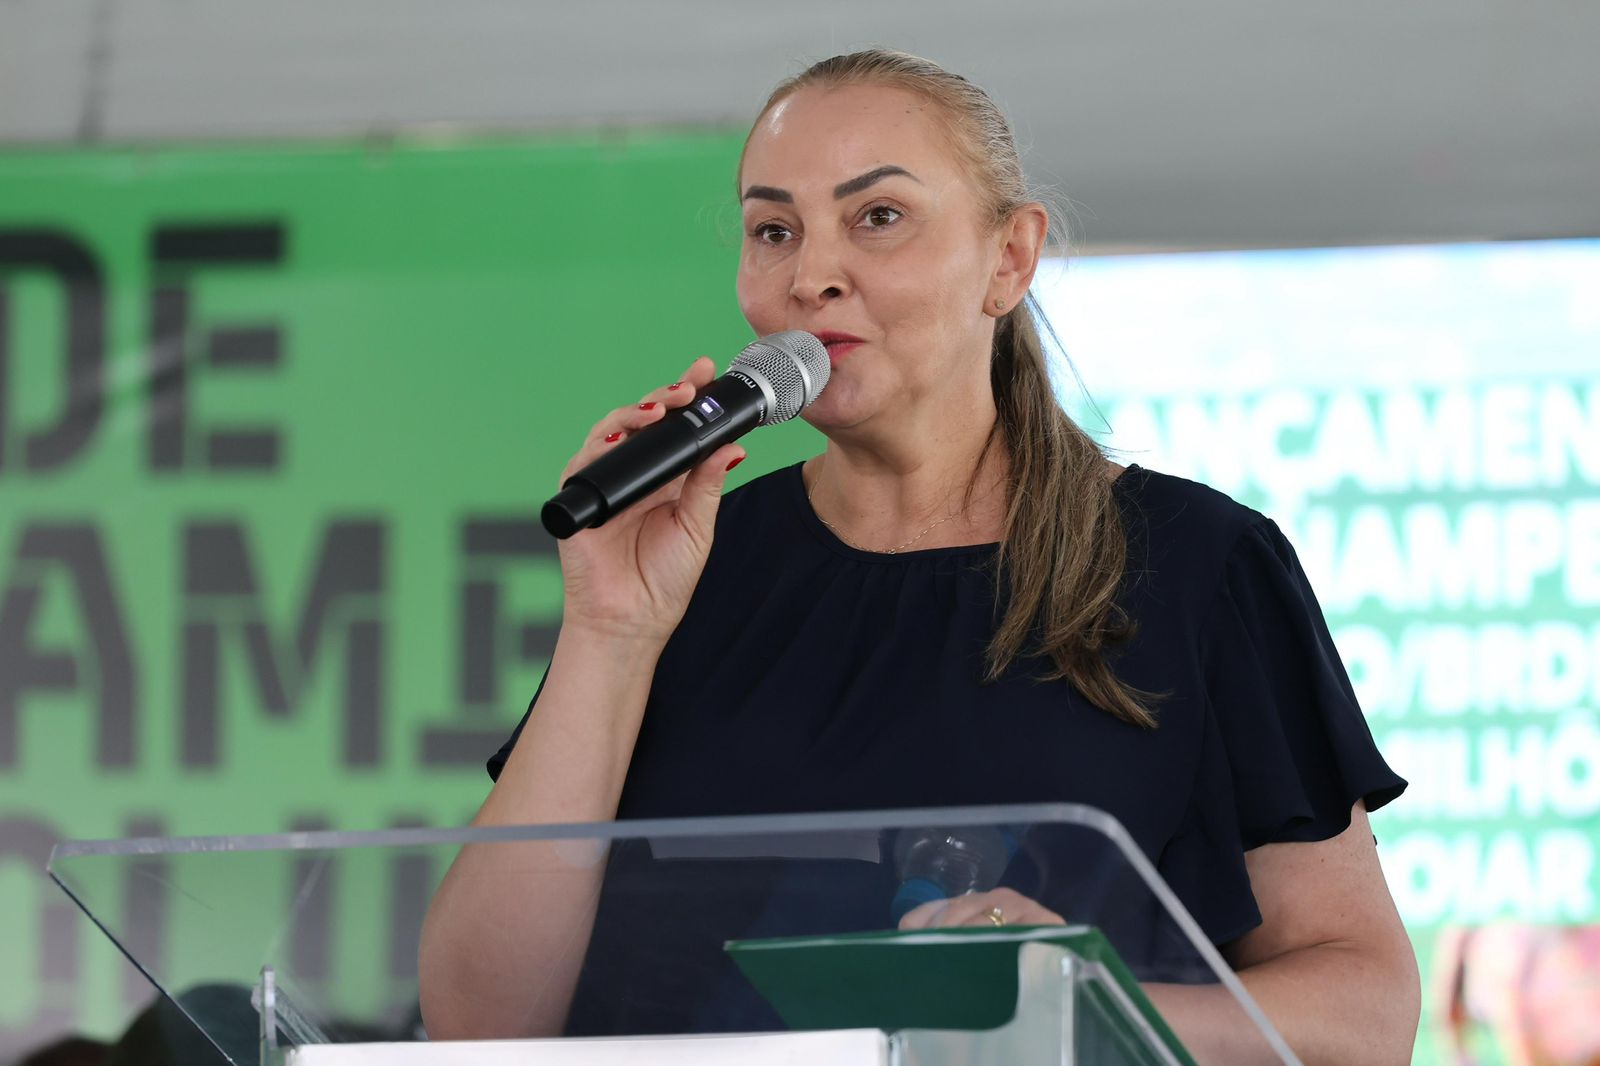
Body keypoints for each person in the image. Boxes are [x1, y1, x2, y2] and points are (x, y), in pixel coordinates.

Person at [419, 49, 1420, 1064]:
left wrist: (1073, 1003)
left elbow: (1363, 1013)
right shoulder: (681, 566)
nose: (813, 273)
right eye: (774, 230)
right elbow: (481, 1022)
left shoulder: (1200, 566)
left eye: (879, 217)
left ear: (1010, 258)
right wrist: (609, 626)